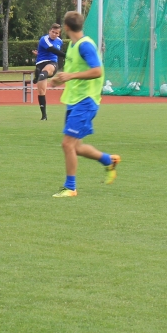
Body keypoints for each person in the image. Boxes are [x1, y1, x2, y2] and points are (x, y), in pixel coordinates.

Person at [50, 11, 120, 198]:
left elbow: (97, 71)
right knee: (76, 147)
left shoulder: (85, 45)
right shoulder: (73, 45)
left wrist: (70, 76)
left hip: (86, 101)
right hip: (74, 101)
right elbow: (74, 71)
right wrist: (60, 79)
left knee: (67, 144)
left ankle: (70, 187)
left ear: (66, 28)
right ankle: (109, 160)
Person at [35, 23, 64, 120]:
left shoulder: (60, 41)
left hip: (52, 63)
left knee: (45, 71)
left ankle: (40, 75)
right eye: (53, 32)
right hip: (40, 63)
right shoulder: (44, 39)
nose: (54, 34)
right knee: (41, 91)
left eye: (56, 33)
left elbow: (55, 53)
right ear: (49, 31)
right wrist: (66, 55)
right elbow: (52, 49)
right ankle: (44, 115)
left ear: (59, 34)